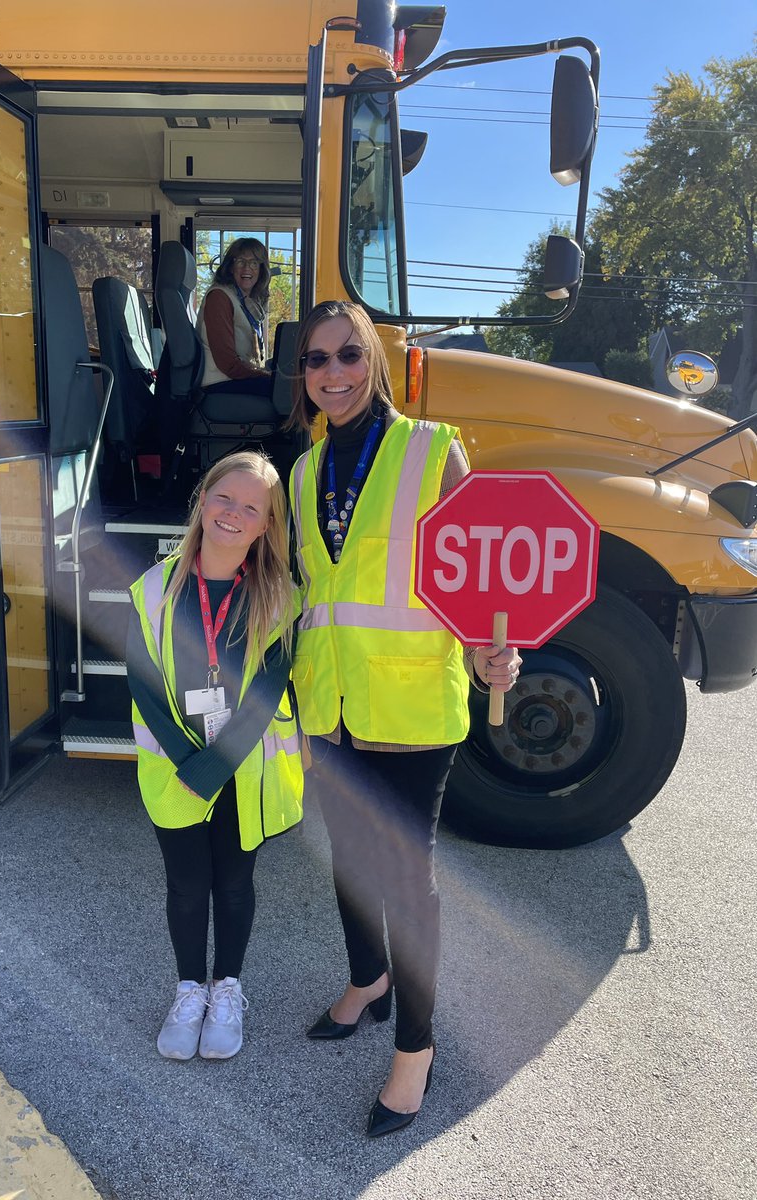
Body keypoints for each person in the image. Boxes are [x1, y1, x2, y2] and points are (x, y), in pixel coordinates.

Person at [287, 300, 522, 1137]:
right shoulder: (303, 471)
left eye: (349, 354)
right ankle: (368, 982)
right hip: (332, 705)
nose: (334, 373)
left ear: (375, 360)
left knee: (407, 879)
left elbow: (485, 574)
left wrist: (494, 654)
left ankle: (416, 1053)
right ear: (304, 376)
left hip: (414, 705)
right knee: (350, 860)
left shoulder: (432, 449)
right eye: (316, 361)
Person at [127, 450, 302, 1062]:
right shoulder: (155, 587)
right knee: (185, 884)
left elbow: (267, 688)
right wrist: (187, 759)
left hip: (242, 767)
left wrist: (218, 763)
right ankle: (188, 989)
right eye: (225, 498)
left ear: (265, 526)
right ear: (204, 499)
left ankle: (226, 986)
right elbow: (143, 680)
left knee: (233, 882)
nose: (234, 513)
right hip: (178, 768)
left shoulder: (279, 597)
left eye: (251, 508)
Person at [196, 237, 274, 400]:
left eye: (254, 263)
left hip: (235, 379)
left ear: (261, 270)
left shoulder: (243, 301)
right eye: (240, 261)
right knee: (289, 391)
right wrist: (266, 376)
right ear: (231, 267)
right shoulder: (219, 297)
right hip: (220, 384)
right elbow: (227, 363)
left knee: (290, 385)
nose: (247, 268)